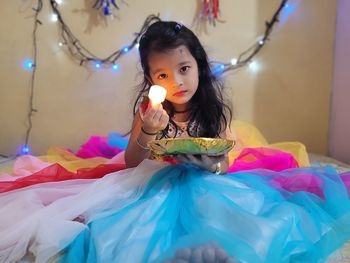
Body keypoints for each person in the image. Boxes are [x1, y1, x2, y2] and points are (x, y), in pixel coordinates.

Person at [125, 20, 234, 174]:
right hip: (156, 187)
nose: (176, 82)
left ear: (199, 66)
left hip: (202, 185)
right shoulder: (147, 113)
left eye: (184, 69)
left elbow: (223, 164)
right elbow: (131, 164)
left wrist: (209, 165)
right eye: (162, 75)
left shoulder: (210, 111)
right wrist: (148, 131)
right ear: (151, 80)